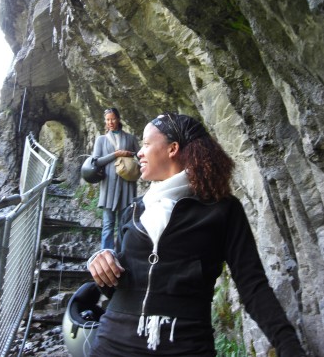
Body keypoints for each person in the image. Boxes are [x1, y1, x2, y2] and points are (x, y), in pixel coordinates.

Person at [87, 112, 306, 356]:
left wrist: (290, 348)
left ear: (172, 148)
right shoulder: (134, 209)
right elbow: (119, 282)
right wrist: (101, 263)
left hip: (185, 345)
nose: (139, 152)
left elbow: (253, 287)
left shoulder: (222, 209)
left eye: (147, 144)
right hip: (113, 343)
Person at [91, 107, 140, 250]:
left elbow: (139, 155)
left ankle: (121, 253)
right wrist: (116, 154)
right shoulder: (101, 140)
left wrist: (128, 153)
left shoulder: (130, 138)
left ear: (118, 119)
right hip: (109, 186)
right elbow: (96, 161)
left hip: (127, 185)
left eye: (112, 119)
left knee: (124, 223)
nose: (110, 122)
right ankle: (107, 253)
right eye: (107, 120)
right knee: (108, 224)